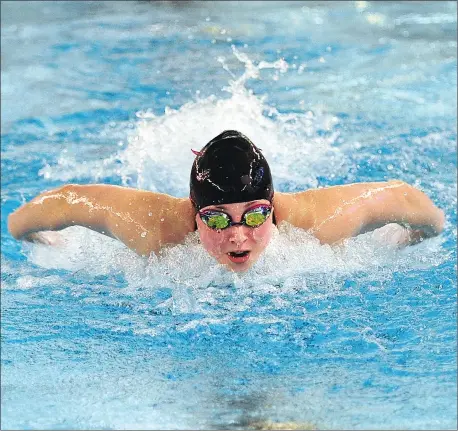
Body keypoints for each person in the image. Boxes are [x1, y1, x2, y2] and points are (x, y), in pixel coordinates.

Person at [8, 130, 445, 272]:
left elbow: (410, 201)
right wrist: (38, 241)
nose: (238, 236)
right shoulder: (152, 228)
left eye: (255, 215)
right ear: (194, 215)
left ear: (272, 207)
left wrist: (412, 240)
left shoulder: (317, 223)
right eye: (217, 221)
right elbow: (62, 204)